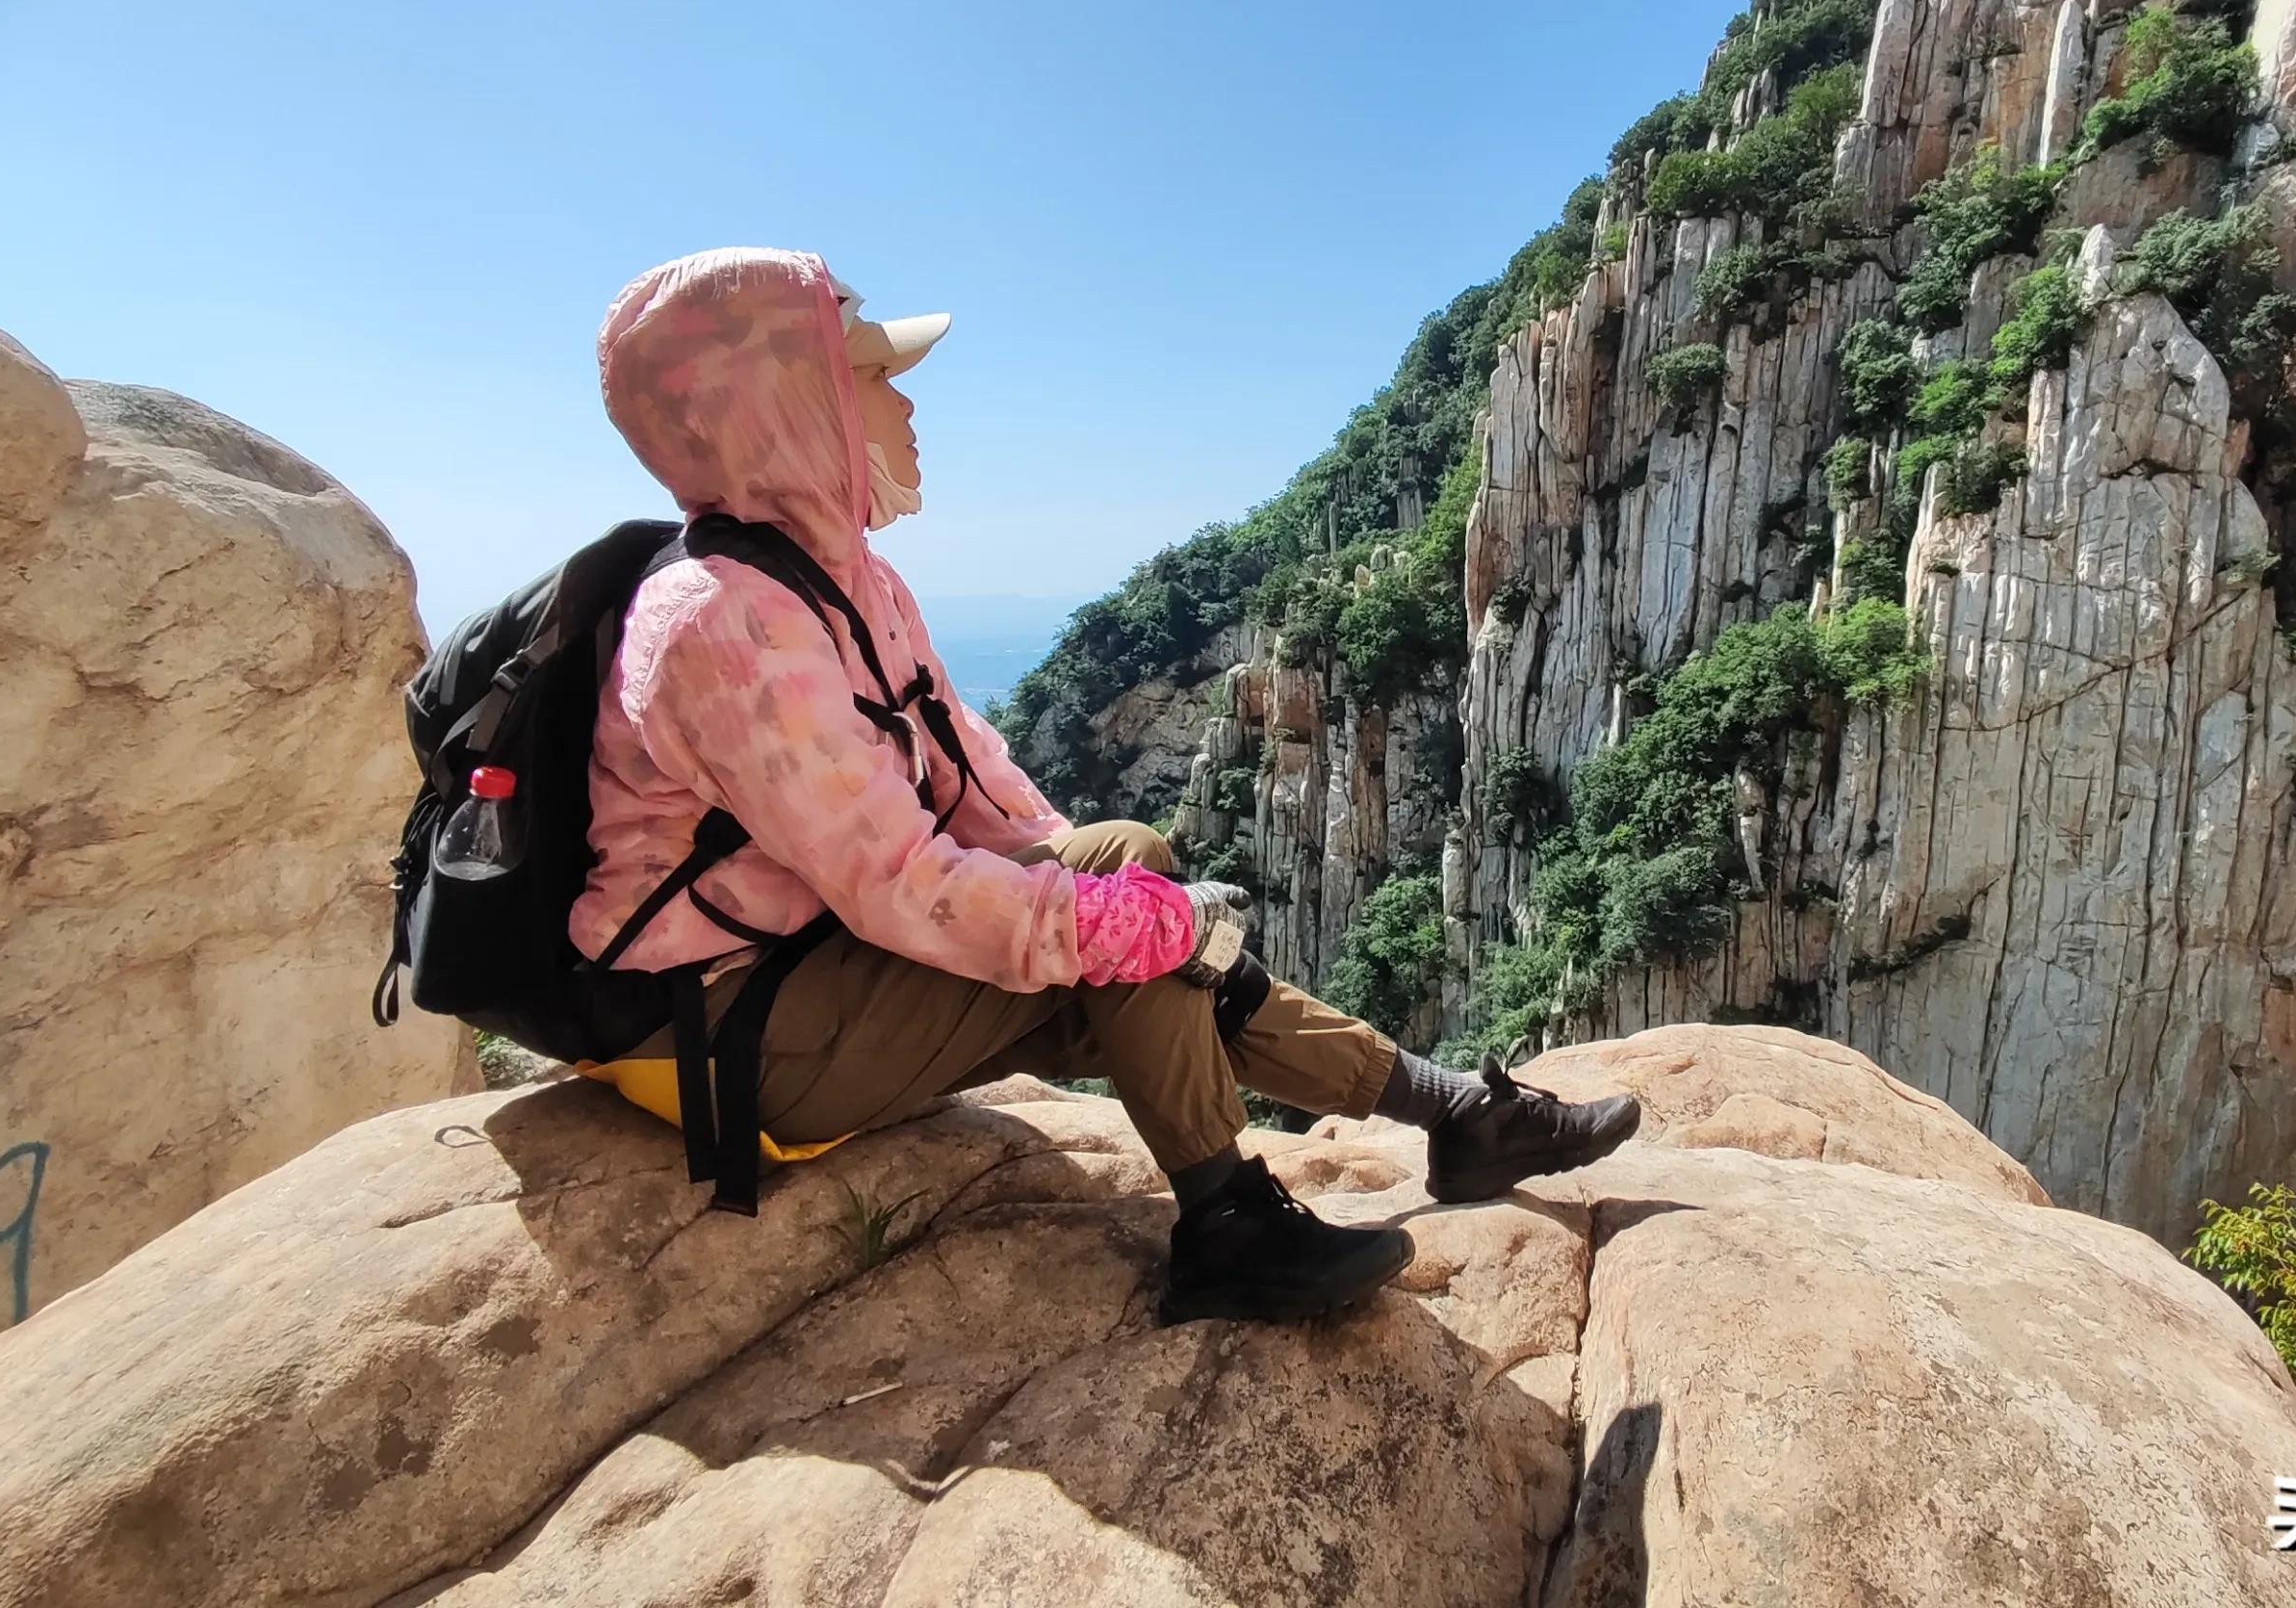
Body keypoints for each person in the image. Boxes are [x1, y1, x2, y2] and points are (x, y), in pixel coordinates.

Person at [567, 246, 1640, 1323]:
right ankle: (1230, 1225)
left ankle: (1455, 1115)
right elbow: (897, 884)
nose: (905, 406)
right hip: (732, 1028)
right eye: (874, 379)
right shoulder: (722, 624)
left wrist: (1127, 915)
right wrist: (1116, 920)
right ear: (786, 412)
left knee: (1139, 906)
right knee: (1127, 912)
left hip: (829, 973)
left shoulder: (843, 582)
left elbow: (974, 779)